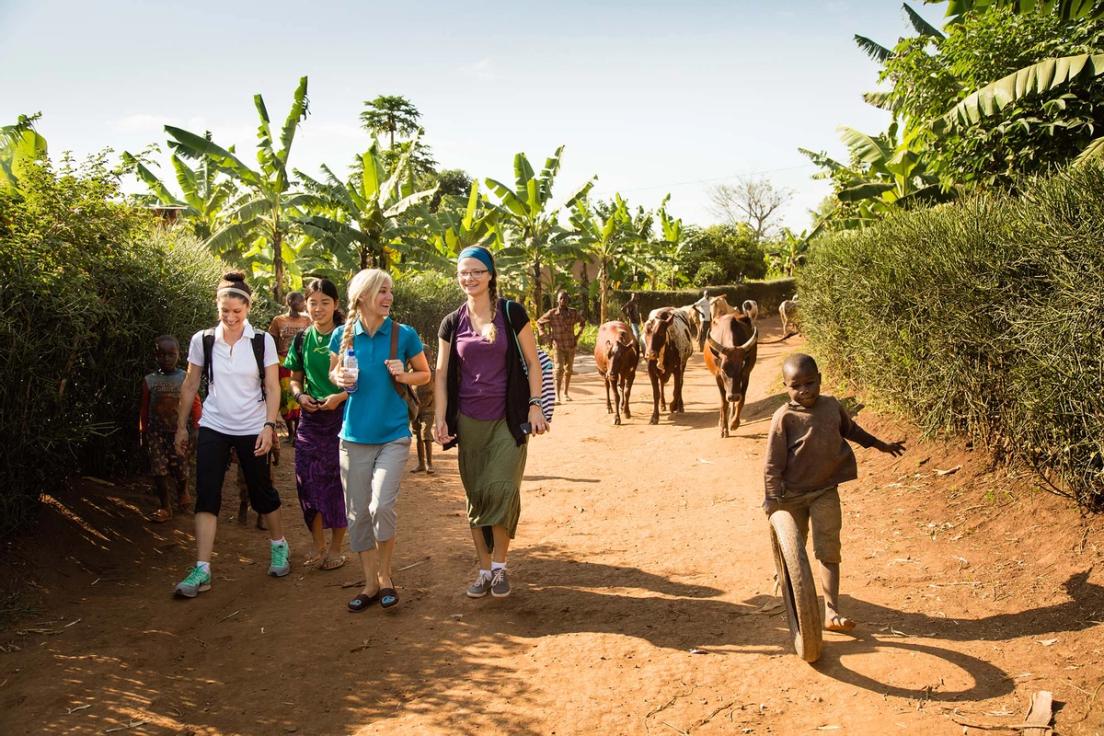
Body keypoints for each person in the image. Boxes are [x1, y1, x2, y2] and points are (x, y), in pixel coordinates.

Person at [434, 246, 550, 599]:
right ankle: (483, 570)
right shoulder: (452, 322)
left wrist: (535, 405)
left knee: (502, 489)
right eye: (463, 272)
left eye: (476, 272)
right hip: (468, 422)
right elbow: (440, 374)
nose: (469, 278)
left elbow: (532, 363)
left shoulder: (512, 313)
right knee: (478, 497)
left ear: (490, 275)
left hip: (508, 418)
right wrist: (440, 417)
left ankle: (500, 567)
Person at [763, 353, 905, 632]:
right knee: (795, 549)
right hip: (790, 495)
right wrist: (771, 498)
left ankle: (831, 610)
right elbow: (772, 463)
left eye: (810, 382)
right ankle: (790, 587)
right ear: (785, 387)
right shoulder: (784, 418)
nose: (804, 390)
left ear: (820, 379)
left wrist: (880, 445)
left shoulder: (831, 406)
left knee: (828, 549)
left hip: (824, 491)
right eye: (796, 386)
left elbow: (851, 430)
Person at [172, 272, 290, 598]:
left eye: (237, 311)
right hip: (214, 423)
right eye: (225, 311)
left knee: (260, 491)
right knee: (207, 493)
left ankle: (279, 545)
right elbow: (191, 385)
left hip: (253, 426)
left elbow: (271, 386)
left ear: (248, 308)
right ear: (218, 306)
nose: (230, 317)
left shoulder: (261, 341)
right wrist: (182, 426)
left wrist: (269, 425)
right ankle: (202, 569)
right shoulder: (204, 340)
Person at [329, 269, 431, 612]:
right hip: (354, 436)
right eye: (381, 291)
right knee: (357, 514)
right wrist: (339, 376)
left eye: (390, 291)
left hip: (393, 435)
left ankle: (386, 577)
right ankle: (370, 583)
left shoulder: (404, 335)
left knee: (381, 506)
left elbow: (425, 373)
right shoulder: (344, 335)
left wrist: (404, 374)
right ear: (362, 296)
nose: (388, 297)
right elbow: (334, 372)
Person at [285, 278, 349, 570]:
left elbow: (361, 379)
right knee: (306, 481)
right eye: (313, 302)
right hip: (310, 419)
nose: (318, 308)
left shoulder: (348, 337)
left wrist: (338, 397)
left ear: (336, 305)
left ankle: (337, 548)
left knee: (337, 483)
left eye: (325, 302)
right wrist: (299, 397)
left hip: (343, 415)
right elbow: (295, 378)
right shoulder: (301, 339)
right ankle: (318, 546)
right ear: (305, 305)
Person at [139, 335, 201, 523]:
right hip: (156, 433)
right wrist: (143, 432)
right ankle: (165, 506)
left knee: (181, 466)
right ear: (155, 356)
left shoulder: (185, 378)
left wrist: (197, 427)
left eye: (171, 355)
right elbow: (144, 408)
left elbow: (196, 404)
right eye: (162, 355)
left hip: (180, 432)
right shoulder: (150, 380)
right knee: (159, 469)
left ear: (179, 355)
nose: (166, 359)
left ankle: (183, 490)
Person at [268, 291, 311, 443]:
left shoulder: (307, 320)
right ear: (291, 302)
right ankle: (290, 431)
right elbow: (272, 342)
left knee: (299, 395)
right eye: (301, 302)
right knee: (285, 398)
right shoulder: (278, 320)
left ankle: (298, 431)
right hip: (283, 361)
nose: (304, 305)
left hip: (301, 361)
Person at [537, 289, 584, 403]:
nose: (563, 300)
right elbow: (539, 322)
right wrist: (545, 336)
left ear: (568, 300)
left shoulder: (573, 313)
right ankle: (557, 396)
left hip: (571, 345)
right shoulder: (552, 313)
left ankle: (565, 393)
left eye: (565, 298)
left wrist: (577, 336)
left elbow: (582, 323)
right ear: (558, 300)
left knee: (569, 370)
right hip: (558, 345)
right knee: (558, 370)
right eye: (561, 298)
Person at [411, 347, 436, 474]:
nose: (425, 357)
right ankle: (421, 463)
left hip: (429, 408)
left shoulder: (433, 373)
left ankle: (429, 463)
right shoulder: (411, 373)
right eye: (422, 355)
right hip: (415, 408)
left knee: (426, 433)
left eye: (427, 355)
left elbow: (438, 391)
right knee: (418, 435)